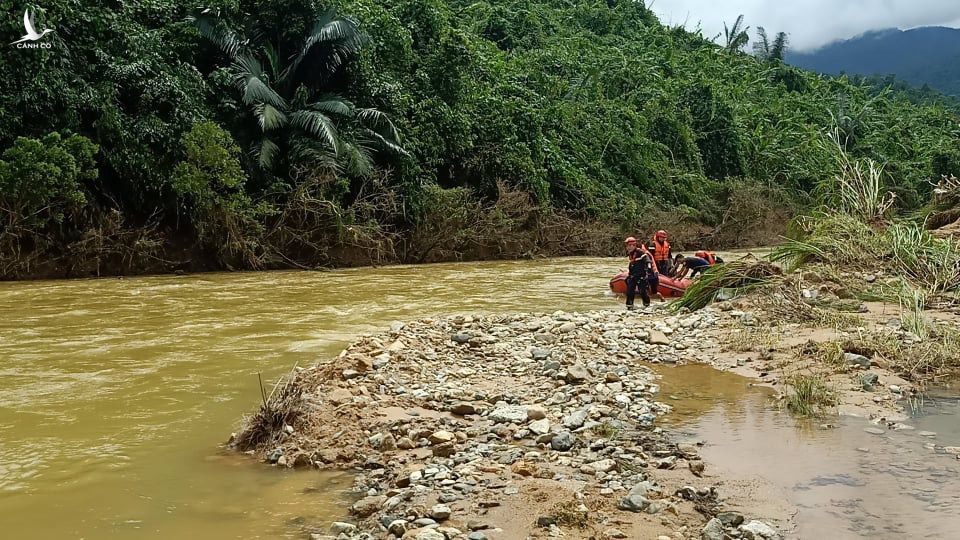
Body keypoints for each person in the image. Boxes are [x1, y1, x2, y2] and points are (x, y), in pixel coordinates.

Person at [623, 236, 653, 310]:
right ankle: (629, 306)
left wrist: (649, 269)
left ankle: (647, 305)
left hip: (641, 275)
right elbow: (632, 264)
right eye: (628, 246)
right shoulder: (630, 253)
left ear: (634, 245)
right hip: (633, 275)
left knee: (642, 291)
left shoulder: (640, 252)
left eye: (630, 246)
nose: (629, 247)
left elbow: (647, 260)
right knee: (630, 291)